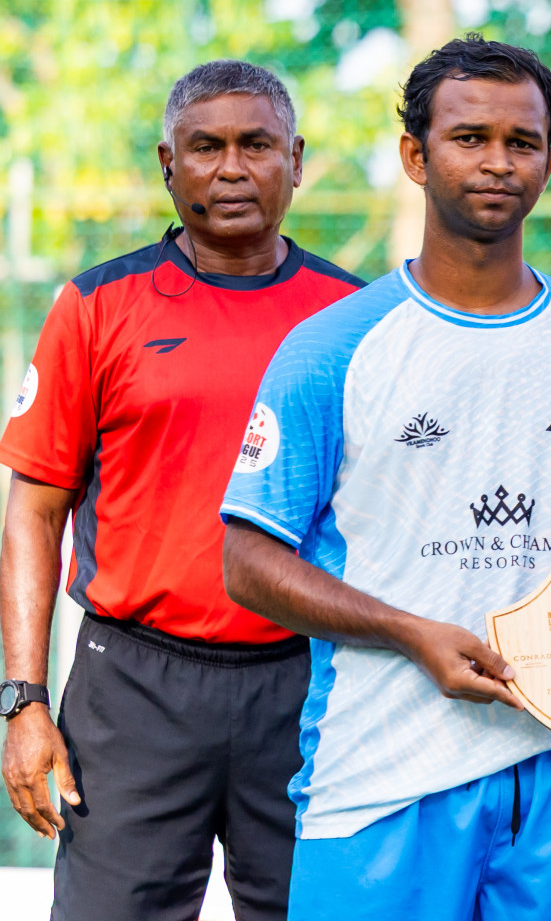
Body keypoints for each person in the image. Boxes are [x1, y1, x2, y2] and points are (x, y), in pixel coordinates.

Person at [219, 34, 551, 921]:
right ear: (416, 155)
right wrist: (411, 630)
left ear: (550, 160)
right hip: (383, 771)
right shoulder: (332, 349)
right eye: (469, 138)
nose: (497, 162)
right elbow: (247, 562)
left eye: (521, 142)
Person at [0, 61, 361, 920]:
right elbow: (35, 509)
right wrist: (22, 701)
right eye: (206, 147)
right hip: (133, 687)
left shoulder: (355, 316)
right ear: (170, 164)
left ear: (297, 159)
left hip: (306, 684)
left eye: (256, 145)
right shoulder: (98, 305)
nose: (231, 168)